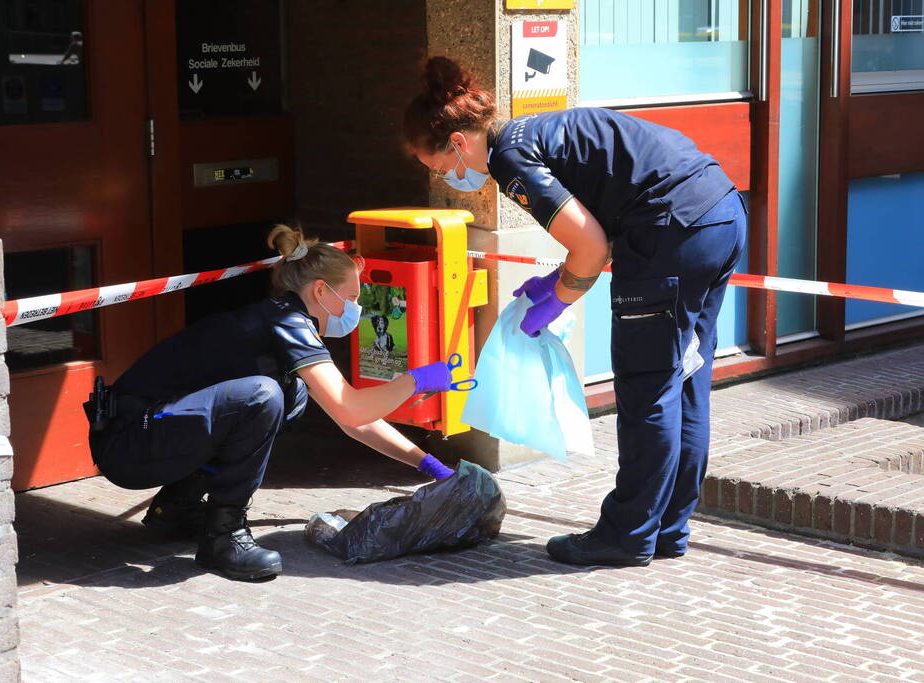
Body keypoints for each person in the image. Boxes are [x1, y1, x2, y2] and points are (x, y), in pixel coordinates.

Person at [403, 57, 747, 567]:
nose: (451, 178)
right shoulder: (535, 130)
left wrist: (557, 299)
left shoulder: (511, 157)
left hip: (671, 231)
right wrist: (562, 279)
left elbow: (588, 245)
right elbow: (597, 228)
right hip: (719, 212)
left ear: (458, 142)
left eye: (441, 169)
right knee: (685, 378)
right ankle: (668, 528)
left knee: (648, 387)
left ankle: (627, 536)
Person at [85, 225, 457, 581]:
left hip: (142, 434)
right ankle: (224, 537)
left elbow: (349, 419)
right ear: (322, 291)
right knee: (263, 397)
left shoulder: (284, 318)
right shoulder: (288, 323)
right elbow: (352, 407)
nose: (356, 308)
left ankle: (177, 510)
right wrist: (415, 380)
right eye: (353, 297)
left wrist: (428, 464)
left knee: (288, 396)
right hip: (130, 444)